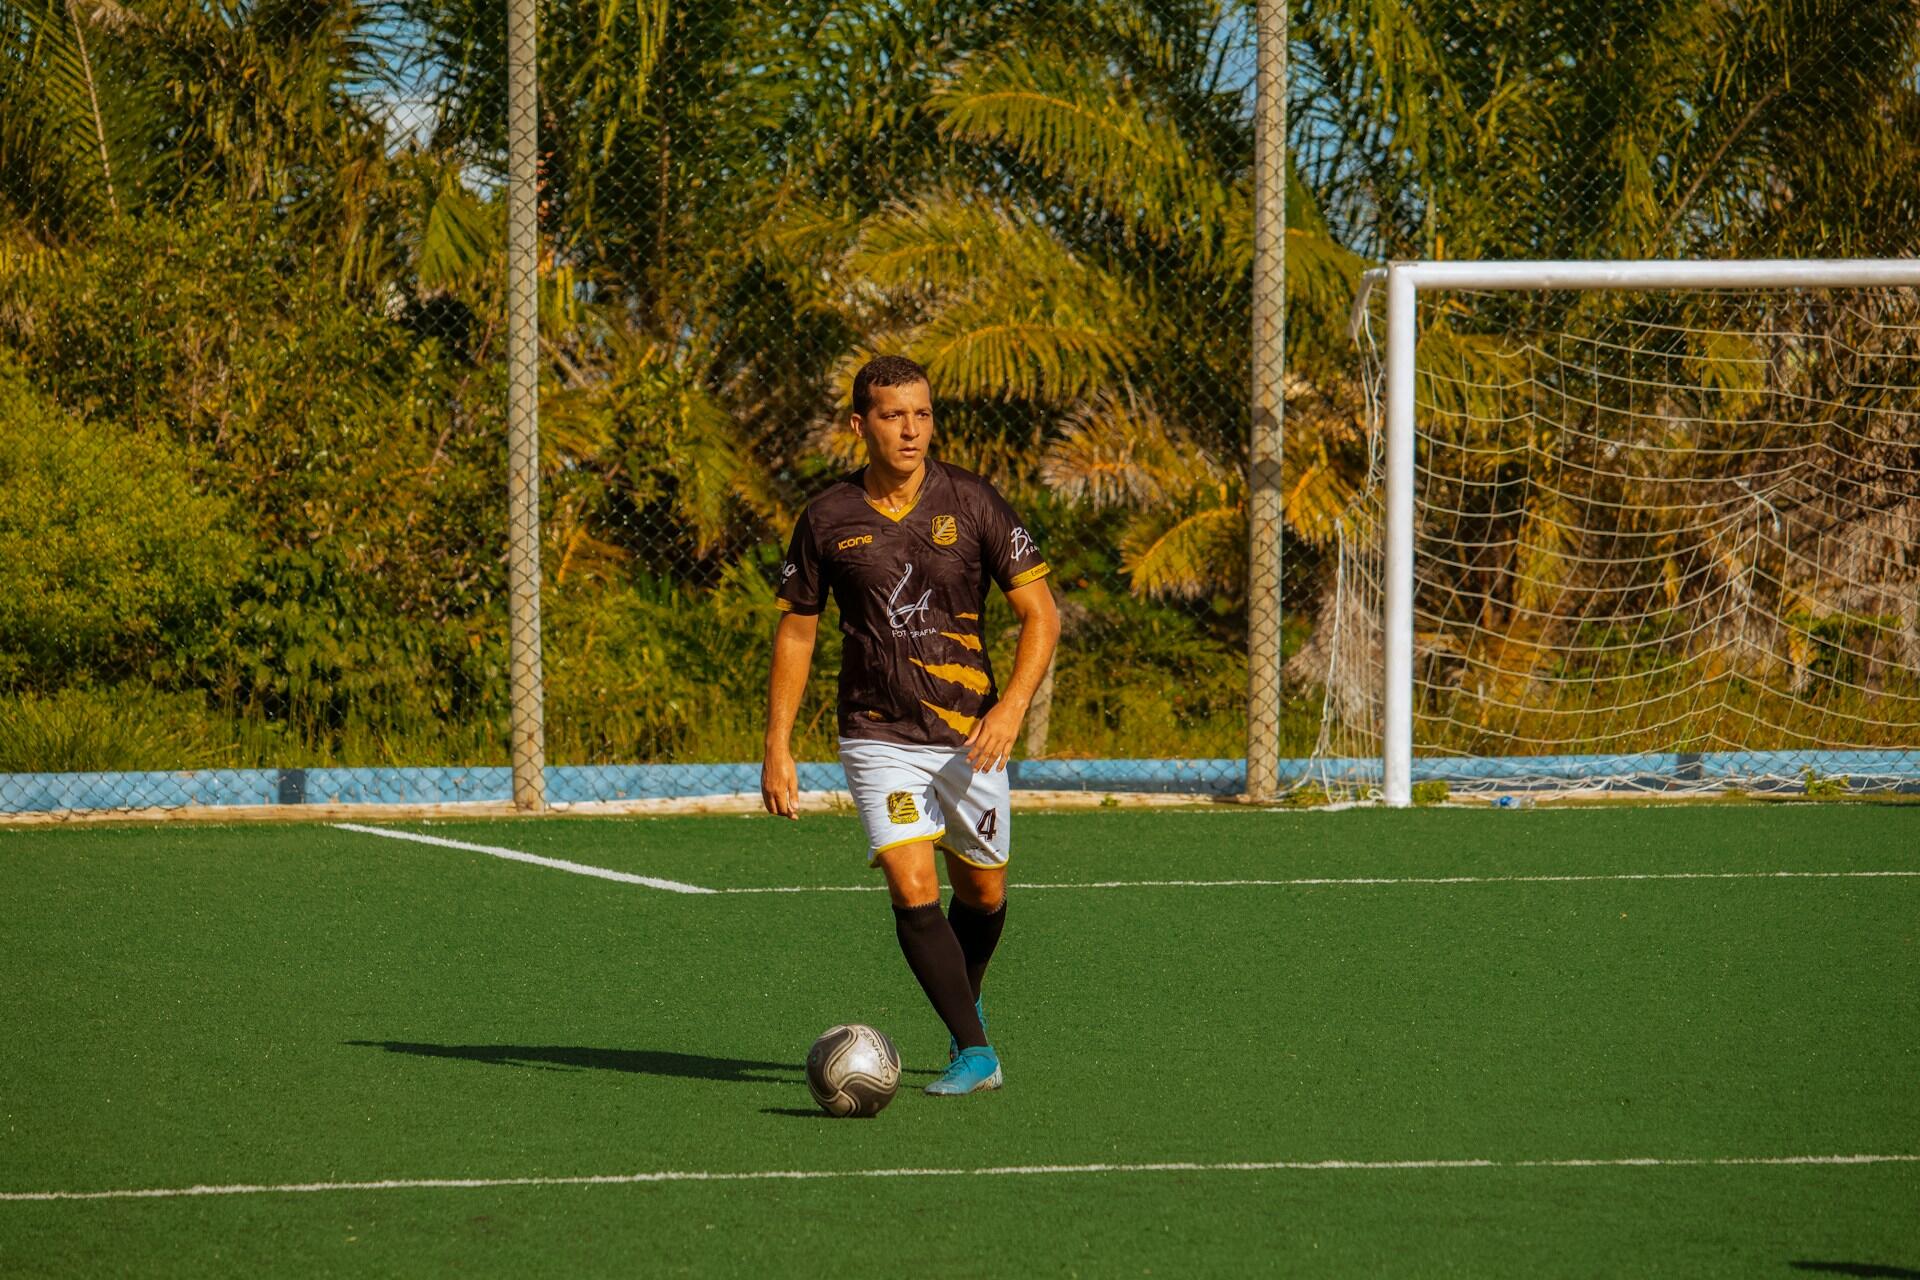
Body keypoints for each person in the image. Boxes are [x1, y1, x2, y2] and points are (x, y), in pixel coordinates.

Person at [761, 354, 1060, 1097]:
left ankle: (962, 997)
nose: (911, 430)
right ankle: (975, 1050)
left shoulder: (975, 501)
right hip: (877, 733)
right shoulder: (827, 519)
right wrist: (777, 744)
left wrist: (1011, 707)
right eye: (894, 415)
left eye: (922, 414)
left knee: (984, 895)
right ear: (860, 424)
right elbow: (796, 632)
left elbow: (1040, 615)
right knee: (910, 879)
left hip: (972, 735)